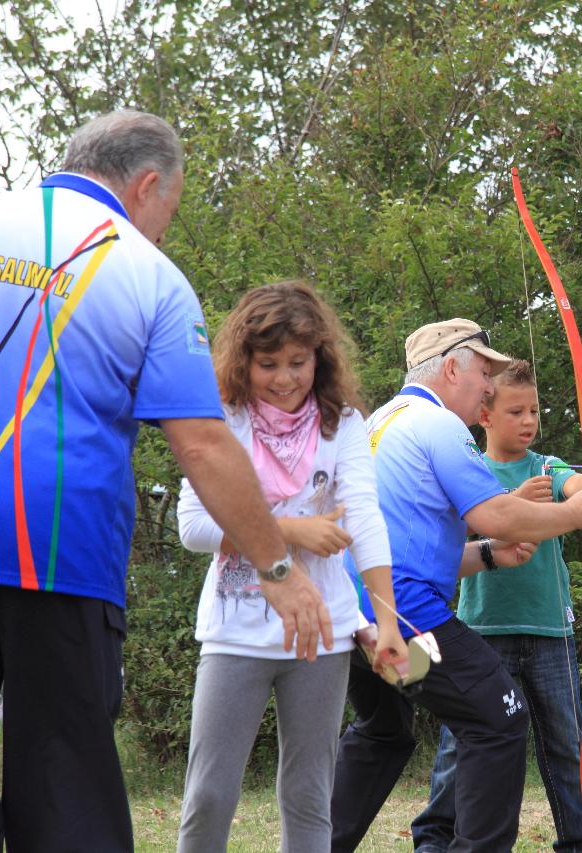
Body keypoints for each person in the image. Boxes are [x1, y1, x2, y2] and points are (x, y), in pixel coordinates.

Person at [0, 110, 326, 852]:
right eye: (172, 210)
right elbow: (202, 442)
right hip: (59, 549)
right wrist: (278, 566)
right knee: (65, 784)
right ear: (149, 184)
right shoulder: (145, 270)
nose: (165, 227)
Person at [330, 319, 582, 853]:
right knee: (500, 713)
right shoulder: (436, 424)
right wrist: (577, 512)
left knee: (385, 731)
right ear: (450, 368)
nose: (489, 386)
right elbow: (495, 514)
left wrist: (489, 557)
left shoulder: (381, 421)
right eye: (483, 371)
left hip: (356, 623)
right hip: (404, 619)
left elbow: (415, 547)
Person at [174, 280, 408, 851]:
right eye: (269, 363)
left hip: (322, 636)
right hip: (235, 633)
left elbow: (367, 523)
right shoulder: (222, 420)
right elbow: (193, 527)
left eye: (298, 362)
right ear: (243, 362)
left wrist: (390, 623)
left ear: (319, 358)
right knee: (209, 796)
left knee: (309, 799)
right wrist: (294, 529)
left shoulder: (344, 423)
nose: (285, 378)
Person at [412, 358, 582, 853]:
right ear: (485, 415)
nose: (528, 421)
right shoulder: (470, 469)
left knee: (566, 746)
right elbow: (468, 525)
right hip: (483, 631)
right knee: (462, 745)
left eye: (534, 411)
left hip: (550, 633)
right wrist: (514, 500)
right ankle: (436, 840)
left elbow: (576, 487)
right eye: (516, 411)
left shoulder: (547, 468)